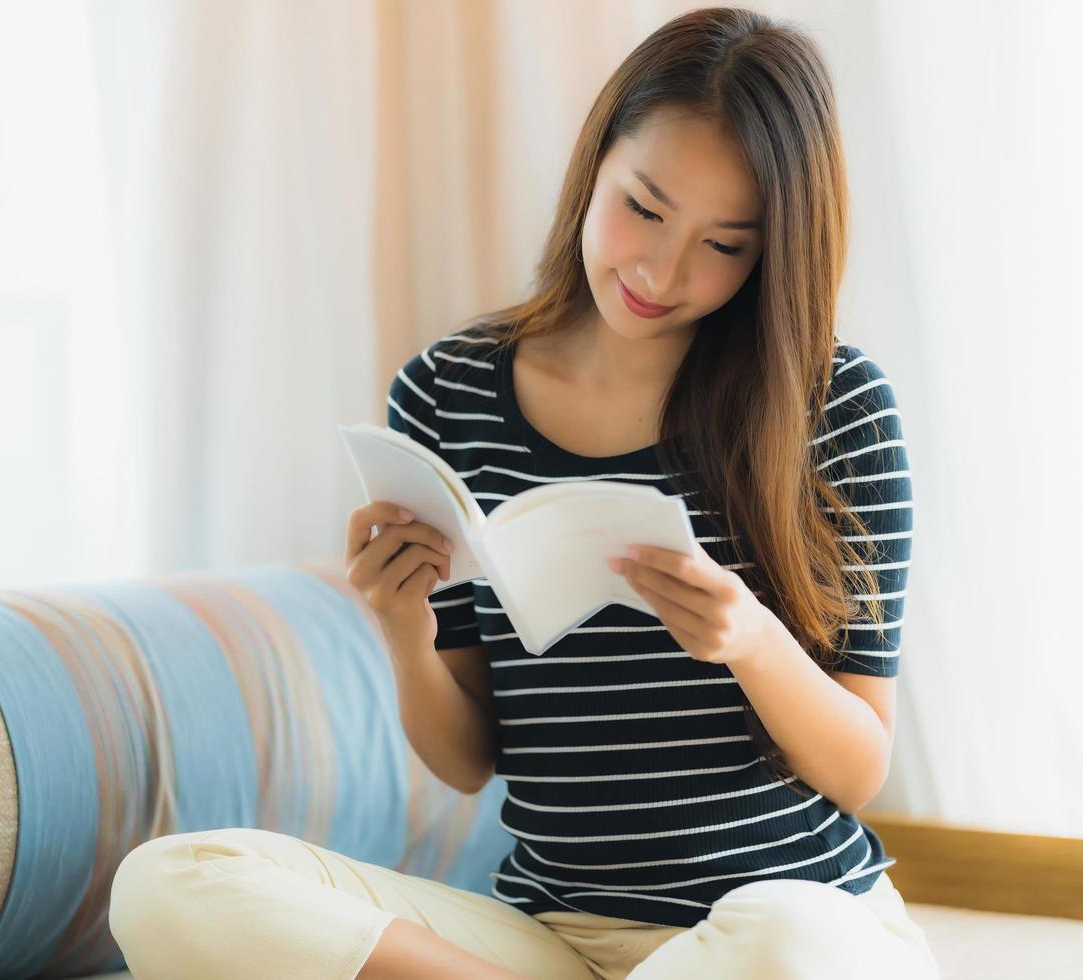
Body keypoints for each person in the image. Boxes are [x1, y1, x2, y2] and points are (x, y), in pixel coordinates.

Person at [108, 6, 936, 978]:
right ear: (596, 164)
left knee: (799, 945)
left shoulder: (835, 406)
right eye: (645, 206)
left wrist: (749, 640)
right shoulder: (447, 393)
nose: (659, 270)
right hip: (556, 935)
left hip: (782, 923)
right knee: (173, 881)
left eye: (724, 245)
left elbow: (858, 766)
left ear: (771, 252)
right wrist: (401, 625)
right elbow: (469, 756)